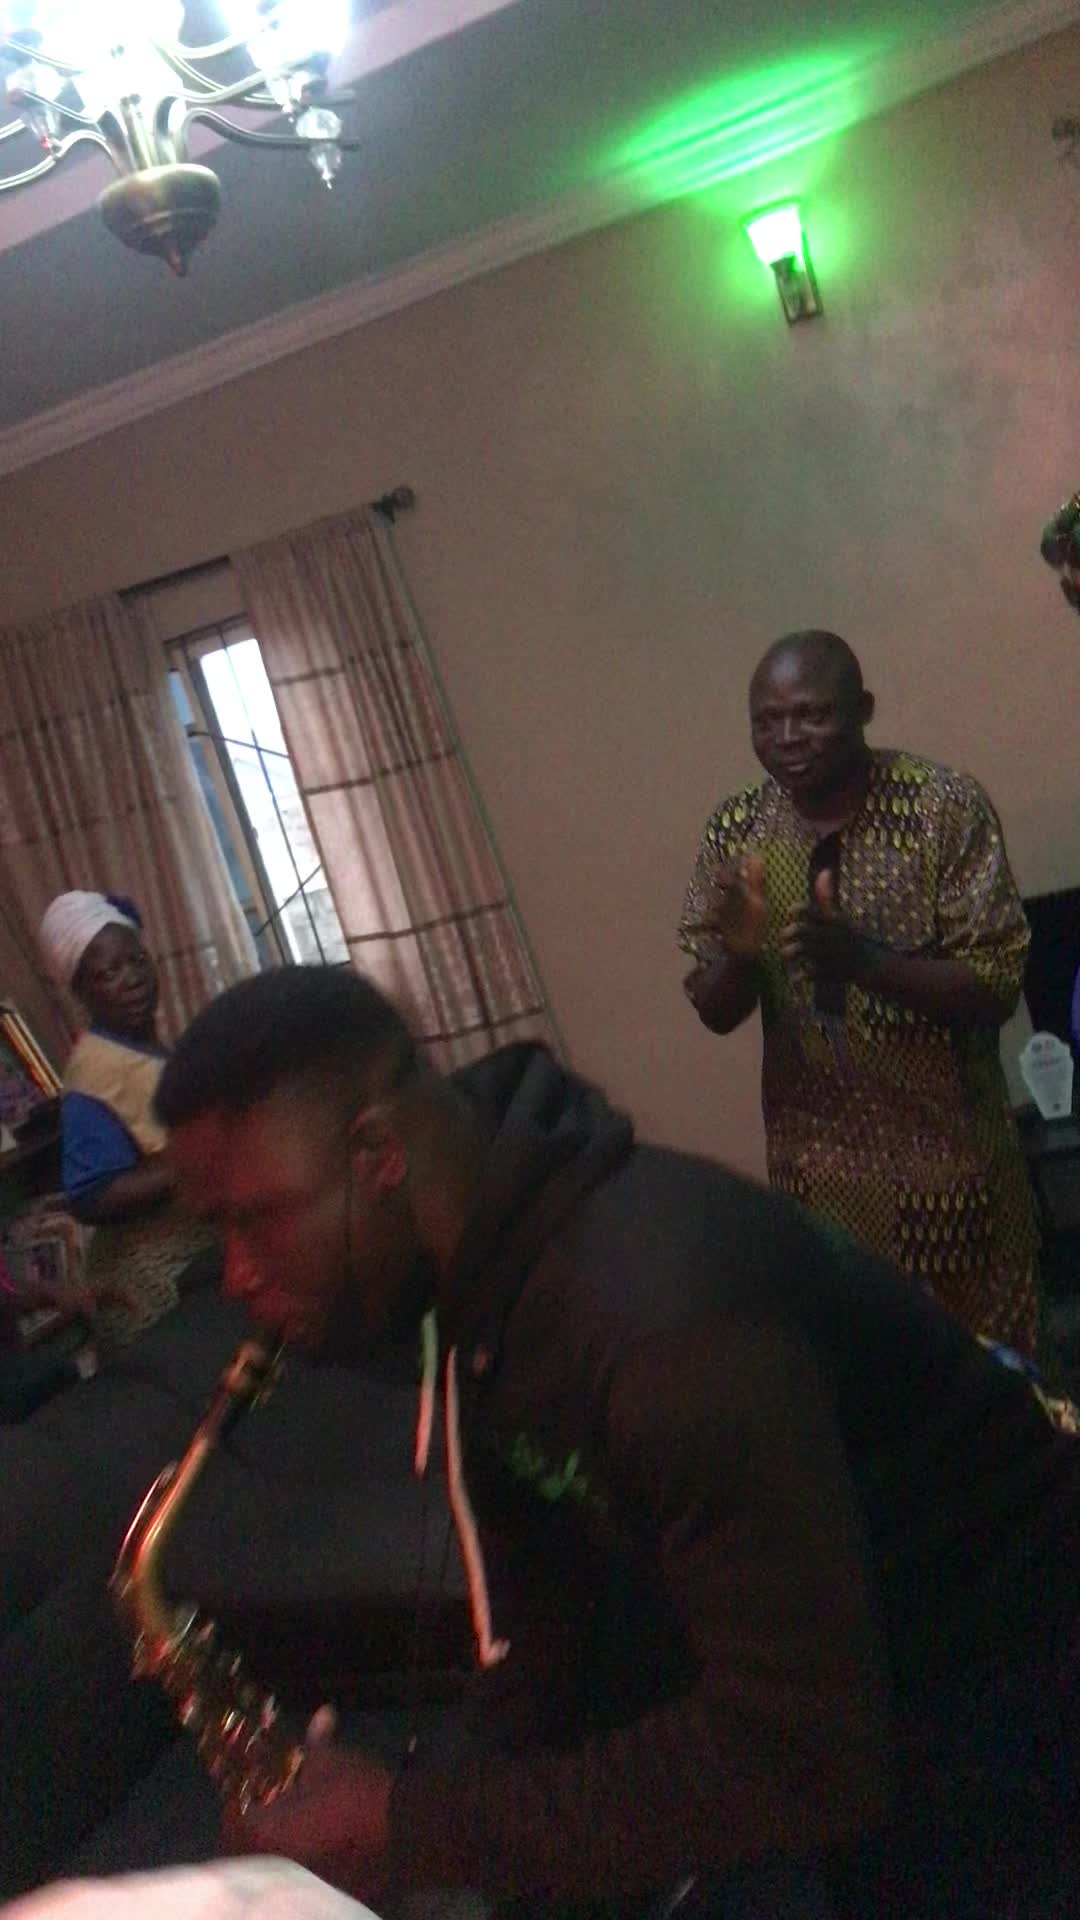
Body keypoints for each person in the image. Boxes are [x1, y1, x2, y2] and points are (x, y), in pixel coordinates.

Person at [152, 965, 1078, 1920]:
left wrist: (407, 1828)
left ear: (378, 1153)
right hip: (883, 1689)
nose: (235, 1276)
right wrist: (412, 1813)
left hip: (1013, 1708)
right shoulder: (483, 1280)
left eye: (251, 1221)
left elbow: (806, 1757)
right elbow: (548, 1620)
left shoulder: (657, 1323)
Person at [678, 630, 1041, 1356]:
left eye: (811, 715)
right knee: (880, 1394)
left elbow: (996, 985)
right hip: (820, 1194)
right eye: (767, 721)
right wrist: (740, 956)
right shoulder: (736, 830)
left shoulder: (942, 807)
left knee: (1003, 1389)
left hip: (956, 1181)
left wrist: (863, 964)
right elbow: (715, 1010)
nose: (788, 738)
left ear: (863, 709)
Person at [38, 890, 217, 1350]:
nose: (132, 980)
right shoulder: (94, 1072)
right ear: (81, 992)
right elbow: (91, 1195)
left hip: (195, 1250)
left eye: (137, 961)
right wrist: (190, 1158)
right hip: (149, 1280)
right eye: (108, 974)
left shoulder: (144, 1048)